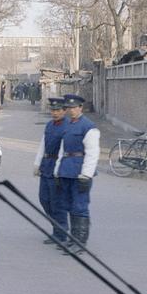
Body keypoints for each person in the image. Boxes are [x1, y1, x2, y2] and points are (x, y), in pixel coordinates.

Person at [54, 94, 100, 255]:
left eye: (74, 107)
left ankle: (80, 242)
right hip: (66, 170)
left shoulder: (88, 127)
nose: (71, 110)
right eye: (69, 108)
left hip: (80, 172)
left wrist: (86, 175)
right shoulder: (67, 125)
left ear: (81, 108)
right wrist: (57, 172)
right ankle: (72, 239)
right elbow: (62, 150)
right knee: (67, 205)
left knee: (79, 207)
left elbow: (92, 153)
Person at [34, 98, 69, 245]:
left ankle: (61, 233)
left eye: (58, 110)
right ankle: (57, 227)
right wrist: (37, 163)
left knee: (57, 202)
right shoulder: (49, 125)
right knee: (44, 199)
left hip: (58, 166)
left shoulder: (68, 127)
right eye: (52, 110)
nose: (54, 113)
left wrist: (58, 169)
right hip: (46, 165)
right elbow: (43, 143)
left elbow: (64, 149)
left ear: (64, 111)